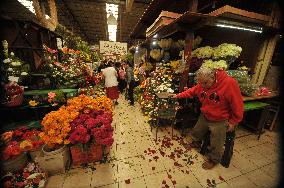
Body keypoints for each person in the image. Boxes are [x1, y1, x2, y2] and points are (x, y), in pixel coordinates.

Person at [172, 67, 244, 170]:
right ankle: (196, 143)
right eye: (200, 83)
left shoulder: (229, 83)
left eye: (205, 83)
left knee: (216, 141)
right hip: (205, 114)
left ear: (213, 77)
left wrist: (233, 122)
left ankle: (214, 159)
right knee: (197, 130)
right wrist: (177, 96)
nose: (202, 86)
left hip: (221, 118)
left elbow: (238, 104)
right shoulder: (203, 83)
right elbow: (192, 91)